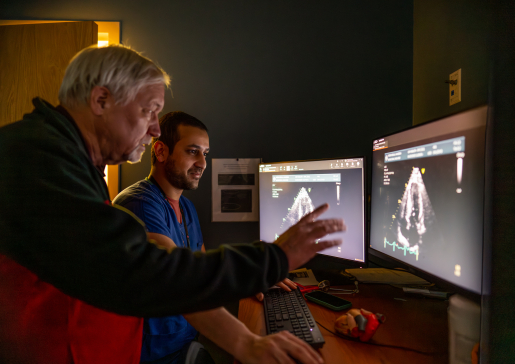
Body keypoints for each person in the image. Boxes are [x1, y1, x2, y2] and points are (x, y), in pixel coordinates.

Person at [0, 44, 345, 364]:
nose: (154, 129)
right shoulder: (37, 160)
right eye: (149, 111)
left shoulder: (70, 162)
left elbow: (165, 266)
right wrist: (274, 258)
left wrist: (245, 340)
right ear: (101, 100)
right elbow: (147, 269)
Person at [114, 111, 318, 364]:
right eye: (192, 151)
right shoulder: (140, 205)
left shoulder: (186, 207)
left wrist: (252, 280)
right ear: (161, 151)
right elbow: (178, 282)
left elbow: (202, 277)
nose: (202, 162)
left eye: (205, 153)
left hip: (188, 344)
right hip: (154, 356)